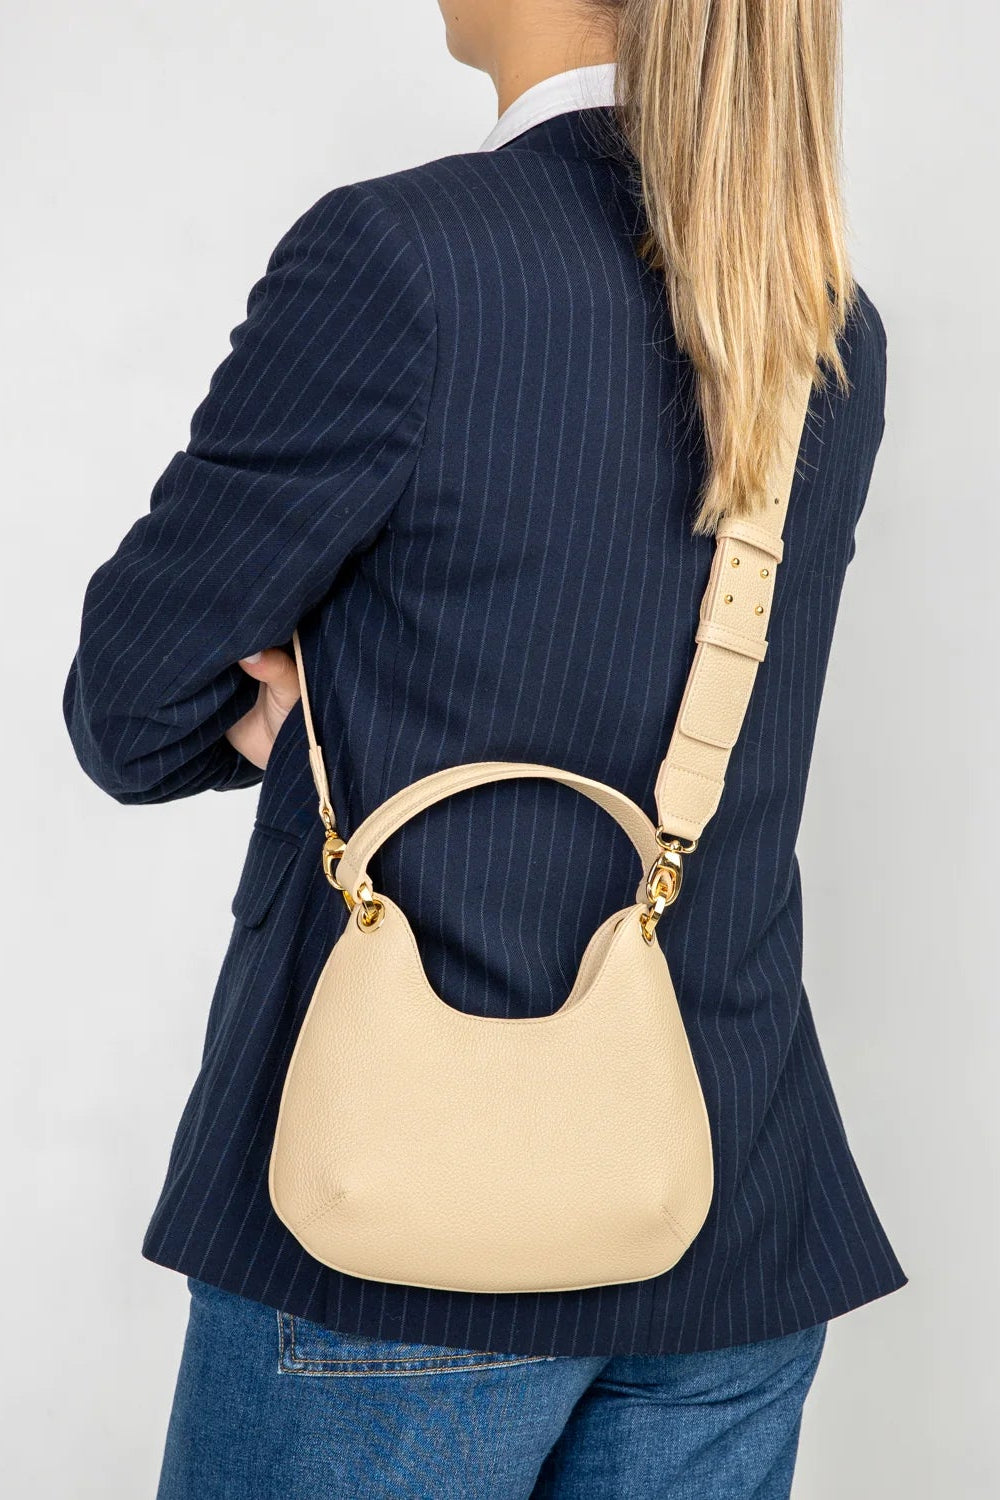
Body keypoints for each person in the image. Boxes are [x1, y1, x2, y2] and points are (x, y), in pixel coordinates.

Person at [63, 0, 907, 1494]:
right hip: (735, 1219)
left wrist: (276, 715)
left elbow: (128, 708)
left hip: (399, 1242)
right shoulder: (823, 317)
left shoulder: (401, 265)